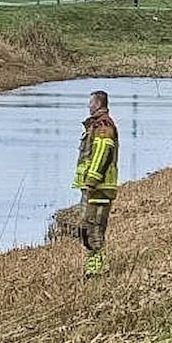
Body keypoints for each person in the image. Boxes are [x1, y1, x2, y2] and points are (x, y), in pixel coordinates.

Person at [72, 90, 119, 277]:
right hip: (92, 188)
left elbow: (103, 152)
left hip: (99, 188)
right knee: (85, 227)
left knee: (94, 227)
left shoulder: (102, 125)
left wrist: (92, 180)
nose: (88, 106)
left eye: (90, 102)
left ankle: (99, 266)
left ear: (98, 104)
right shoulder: (96, 125)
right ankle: (93, 263)